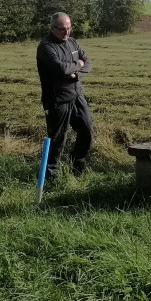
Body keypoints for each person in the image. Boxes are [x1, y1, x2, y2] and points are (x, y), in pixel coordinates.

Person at [36, 11, 94, 183]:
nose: (66, 33)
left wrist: (76, 74)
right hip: (57, 100)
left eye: (68, 28)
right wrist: (77, 64)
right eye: (62, 29)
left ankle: (77, 163)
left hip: (77, 95)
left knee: (87, 130)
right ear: (52, 28)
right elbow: (61, 69)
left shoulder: (73, 42)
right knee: (57, 139)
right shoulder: (46, 47)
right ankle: (50, 178)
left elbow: (88, 63)